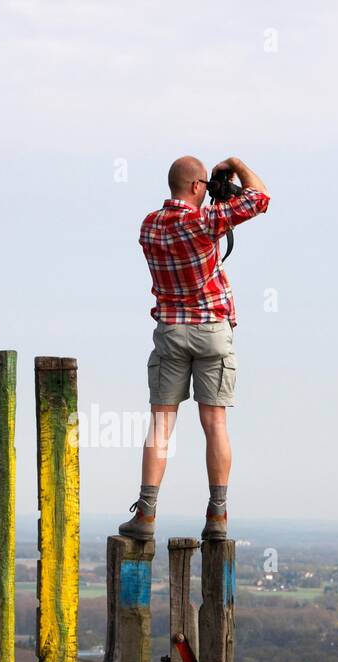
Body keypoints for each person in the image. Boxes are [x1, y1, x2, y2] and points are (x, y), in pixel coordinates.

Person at [117, 155, 270, 542]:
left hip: (170, 331)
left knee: (160, 426)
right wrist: (235, 164)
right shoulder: (204, 223)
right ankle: (217, 514)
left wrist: (211, 189)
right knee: (215, 424)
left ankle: (146, 513)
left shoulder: (148, 226)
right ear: (198, 186)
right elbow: (260, 197)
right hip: (211, 331)